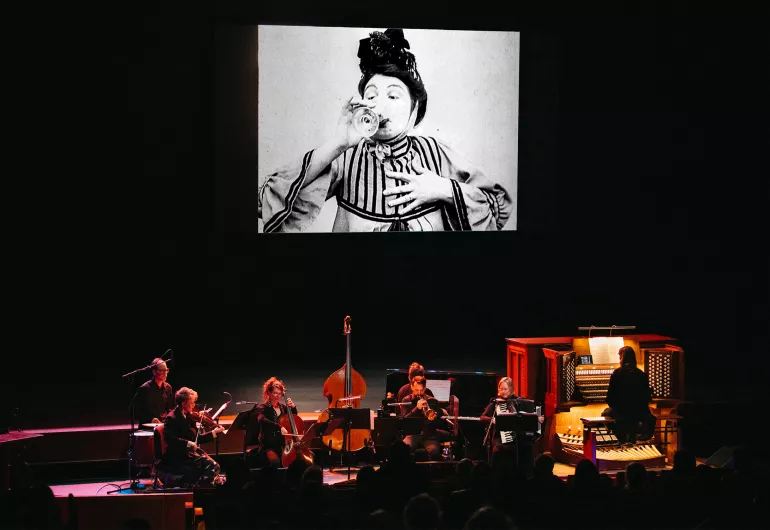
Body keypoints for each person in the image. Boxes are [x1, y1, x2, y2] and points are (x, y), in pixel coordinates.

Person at [258, 28, 513, 232]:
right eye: (371, 95)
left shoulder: (435, 152)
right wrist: (339, 142)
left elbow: (496, 207)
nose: (380, 105)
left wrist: (443, 189)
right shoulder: (346, 158)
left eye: (393, 96)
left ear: (414, 111)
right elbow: (269, 200)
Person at [480, 377, 544, 479]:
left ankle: (525, 477)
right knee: (501, 450)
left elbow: (528, 416)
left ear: (511, 389)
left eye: (505, 389)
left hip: (519, 438)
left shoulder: (520, 401)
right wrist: (492, 420)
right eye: (501, 389)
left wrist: (537, 418)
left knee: (528, 447)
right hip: (500, 438)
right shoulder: (495, 403)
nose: (503, 391)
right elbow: (482, 418)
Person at [162, 387, 224, 486]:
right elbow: (170, 439)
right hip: (178, 455)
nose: (194, 405)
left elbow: (197, 438)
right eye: (191, 403)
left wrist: (214, 432)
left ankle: (196, 486)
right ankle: (197, 487)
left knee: (215, 466)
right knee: (210, 465)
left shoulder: (188, 416)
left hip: (190, 454)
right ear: (183, 403)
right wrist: (187, 443)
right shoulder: (172, 418)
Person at [603, 346, 656, 446]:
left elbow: (609, 398)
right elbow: (647, 398)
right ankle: (631, 436)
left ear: (622, 358)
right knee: (631, 416)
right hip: (639, 412)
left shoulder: (617, 373)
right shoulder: (642, 374)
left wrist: (617, 407)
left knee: (605, 414)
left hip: (622, 412)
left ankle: (622, 437)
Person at [252, 377, 298, 468]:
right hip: (269, 445)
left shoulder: (283, 407)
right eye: (275, 393)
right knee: (275, 462)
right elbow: (261, 419)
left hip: (283, 445)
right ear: (268, 393)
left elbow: (293, 417)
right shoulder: (263, 408)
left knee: (295, 461)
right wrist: (279, 427)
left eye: (279, 394)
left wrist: (293, 408)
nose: (277, 396)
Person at [402, 376, 448, 460]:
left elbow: (441, 423)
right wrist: (416, 409)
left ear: (425, 388)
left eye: (421, 390)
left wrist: (434, 418)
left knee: (434, 452)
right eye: (416, 390)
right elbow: (405, 421)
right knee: (404, 449)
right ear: (412, 387)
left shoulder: (433, 401)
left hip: (429, 436)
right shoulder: (406, 400)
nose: (419, 393)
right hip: (412, 434)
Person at [134, 359, 174, 426]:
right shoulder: (144, 389)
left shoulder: (168, 388)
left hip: (163, 425)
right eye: (161, 370)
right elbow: (138, 412)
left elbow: (170, 409)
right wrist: (151, 419)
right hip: (148, 426)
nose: (165, 373)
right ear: (154, 372)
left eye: (166, 370)